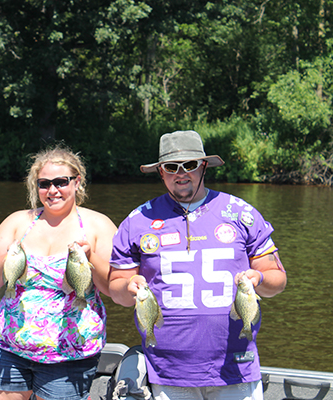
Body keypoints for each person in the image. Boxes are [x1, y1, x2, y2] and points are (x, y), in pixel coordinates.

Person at [109, 130, 287, 400]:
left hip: (236, 367)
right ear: (161, 173)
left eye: (190, 165)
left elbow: (277, 280)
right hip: (167, 371)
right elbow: (117, 291)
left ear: (203, 166)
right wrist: (127, 286)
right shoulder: (137, 220)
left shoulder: (242, 213)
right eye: (171, 167)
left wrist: (259, 280)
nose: (181, 174)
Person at [0, 145, 118, 400]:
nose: (52, 190)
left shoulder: (98, 226)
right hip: (9, 348)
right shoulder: (18, 222)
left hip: (69, 354)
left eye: (61, 182)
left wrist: (91, 259)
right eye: (44, 184)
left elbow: (114, 289)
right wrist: (7, 260)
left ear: (77, 182)